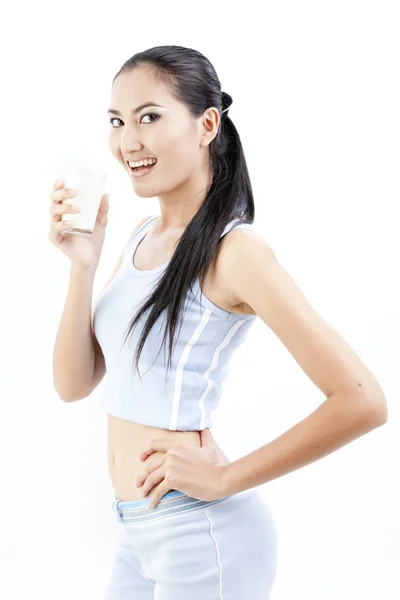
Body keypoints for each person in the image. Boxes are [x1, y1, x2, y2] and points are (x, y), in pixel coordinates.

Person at [50, 45, 387, 599]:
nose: (128, 141)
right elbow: (72, 385)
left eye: (149, 117)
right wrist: (81, 268)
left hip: (200, 535)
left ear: (207, 124)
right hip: (137, 533)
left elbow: (362, 401)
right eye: (117, 121)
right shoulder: (140, 238)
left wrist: (226, 479)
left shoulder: (235, 253)